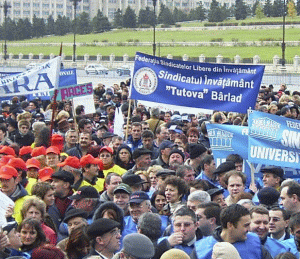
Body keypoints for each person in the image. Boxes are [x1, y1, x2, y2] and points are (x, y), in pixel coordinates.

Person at [191, 204, 272, 259]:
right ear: (230, 225)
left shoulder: (255, 244)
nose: (249, 229)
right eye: (245, 225)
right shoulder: (202, 249)